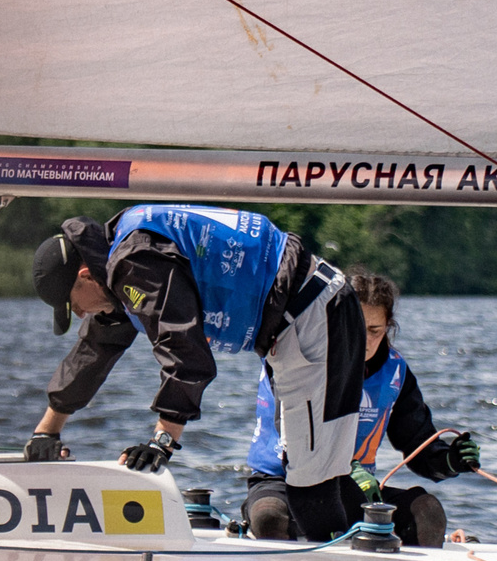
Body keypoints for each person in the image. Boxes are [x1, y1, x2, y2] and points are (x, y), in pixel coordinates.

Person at [29, 205, 363, 487]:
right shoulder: (119, 253)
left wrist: (163, 440)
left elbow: (185, 350)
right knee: (303, 476)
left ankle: (351, 551)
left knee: (311, 484)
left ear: (85, 275)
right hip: (304, 319)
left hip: (312, 315)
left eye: (74, 304)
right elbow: (94, 350)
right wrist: (47, 432)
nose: (81, 313)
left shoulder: (135, 261)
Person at [244, 271, 481, 544]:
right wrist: (344, 466)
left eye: (374, 331)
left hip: (354, 487)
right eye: (355, 326)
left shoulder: (395, 372)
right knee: (270, 519)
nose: (363, 340)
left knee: (427, 512)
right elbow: (293, 435)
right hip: (282, 482)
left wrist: (450, 459)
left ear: (388, 328)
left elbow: (418, 444)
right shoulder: (296, 358)